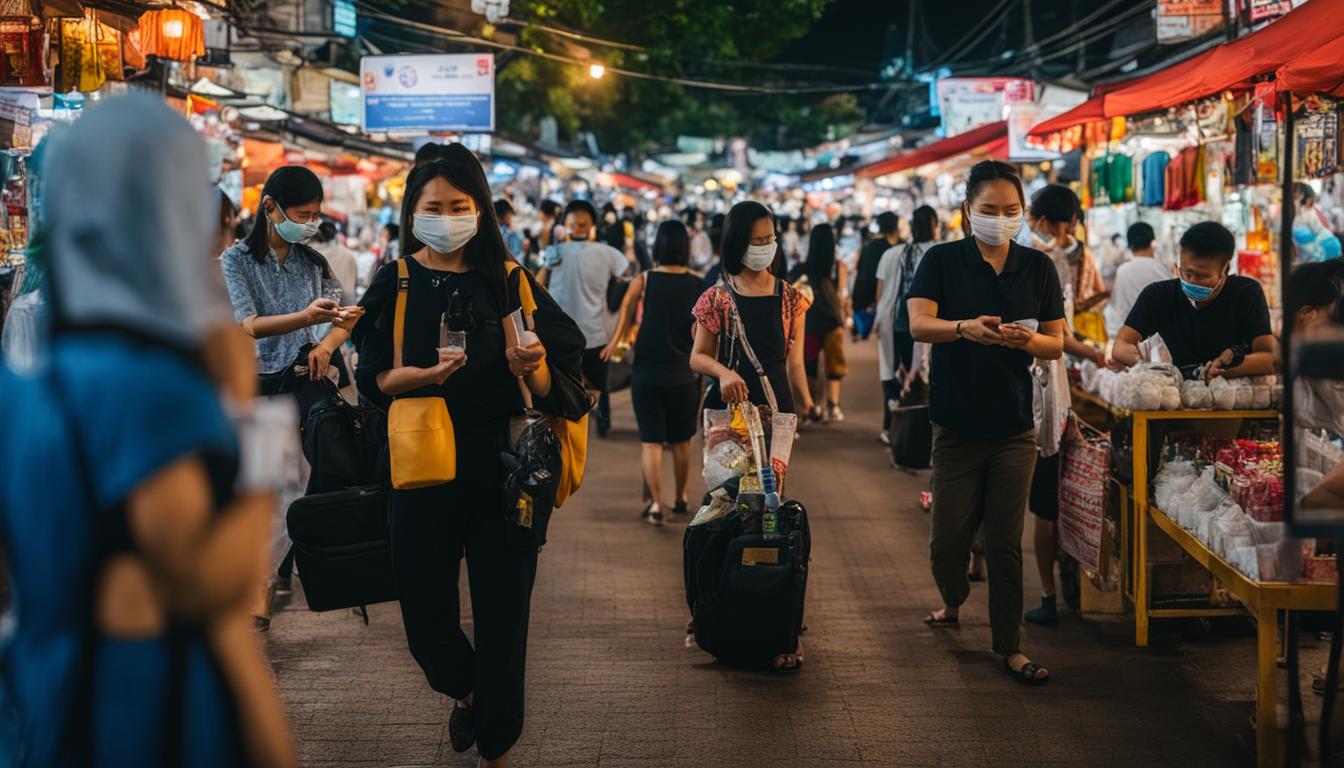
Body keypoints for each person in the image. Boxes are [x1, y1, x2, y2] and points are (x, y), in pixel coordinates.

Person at [0, 93, 296, 768]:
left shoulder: (36, 375)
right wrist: (256, 427)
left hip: (44, 694)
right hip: (146, 709)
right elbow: (204, 582)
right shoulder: (147, 384)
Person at [353, 145, 586, 768]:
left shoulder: (508, 280)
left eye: (461, 205)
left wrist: (531, 371)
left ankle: (497, 744)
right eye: (435, 206)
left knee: (504, 618)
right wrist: (423, 374)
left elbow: (568, 364)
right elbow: (371, 379)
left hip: (505, 468)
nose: (448, 216)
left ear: (481, 210)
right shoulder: (396, 279)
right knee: (425, 616)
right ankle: (469, 688)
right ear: (412, 211)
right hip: (420, 466)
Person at [907, 159, 1065, 685]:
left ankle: (1010, 646)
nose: (1001, 218)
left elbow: (1056, 341)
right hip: (954, 424)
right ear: (967, 213)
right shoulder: (942, 260)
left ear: (1023, 213)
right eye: (989, 210)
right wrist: (964, 328)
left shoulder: (1038, 267)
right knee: (947, 541)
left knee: (1003, 542)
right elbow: (919, 324)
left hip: (1014, 425)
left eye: (1011, 210)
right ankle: (953, 598)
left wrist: (1029, 341)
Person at [219, 166, 364, 620]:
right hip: (256, 389)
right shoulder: (236, 261)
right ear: (270, 208)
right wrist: (306, 318)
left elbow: (346, 319)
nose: (310, 223)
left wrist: (325, 343)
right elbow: (249, 325)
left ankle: (276, 574)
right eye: (303, 214)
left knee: (300, 486)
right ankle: (257, 584)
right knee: (263, 485)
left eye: (315, 215)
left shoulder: (312, 262)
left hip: (304, 386)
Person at [690, 200, 813, 670]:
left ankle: (777, 622)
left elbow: (794, 360)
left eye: (770, 238)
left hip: (777, 415)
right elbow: (697, 357)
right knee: (726, 507)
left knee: (770, 511)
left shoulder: (791, 297)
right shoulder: (716, 298)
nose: (766, 247)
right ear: (736, 243)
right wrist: (721, 371)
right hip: (728, 417)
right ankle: (722, 607)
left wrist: (805, 405)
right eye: (757, 239)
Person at [602, 220, 703, 524]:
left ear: (658, 246)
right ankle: (682, 498)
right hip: (685, 372)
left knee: (651, 441)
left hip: (647, 370)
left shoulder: (644, 280)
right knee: (683, 440)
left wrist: (614, 342)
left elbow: (626, 312)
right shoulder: (699, 283)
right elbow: (703, 329)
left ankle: (656, 505)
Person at [1113, 221, 1276, 380]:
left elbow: (1269, 358)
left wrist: (1222, 370)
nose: (1191, 281)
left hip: (1234, 394)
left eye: (1201, 276)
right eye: (1185, 272)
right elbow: (1121, 345)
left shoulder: (1246, 293)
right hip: (1179, 394)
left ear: (1226, 268)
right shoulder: (1158, 295)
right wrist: (1151, 368)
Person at [538, 200, 632, 437]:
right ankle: (602, 421)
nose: (577, 228)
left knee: (560, 381)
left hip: (562, 331)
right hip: (595, 330)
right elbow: (627, 275)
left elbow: (539, 283)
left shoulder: (554, 253)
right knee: (601, 383)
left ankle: (564, 424)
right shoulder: (609, 253)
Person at [874, 205, 938, 444]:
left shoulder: (893, 253)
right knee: (927, 376)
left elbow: (880, 293)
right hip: (931, 326)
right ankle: (924, 433)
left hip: (896, 323)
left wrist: (877, 319)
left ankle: (892, 427)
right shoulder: (940, 252)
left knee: (894, 374)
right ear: (934, 225)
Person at [800, 223, 849, 422]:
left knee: (810, 364)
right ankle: (833, 405)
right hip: (832, 321)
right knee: (834, 365)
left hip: (809, 320)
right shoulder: (838, 266)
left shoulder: (804, 268)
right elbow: (842, 295)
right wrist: (845, 316)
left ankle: (813, 406)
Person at [1103, 222, 1171, 339]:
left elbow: (1119, 308)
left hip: (1131, 336)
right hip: (1160, 337)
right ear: (1152, 243)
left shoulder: (1123, 270)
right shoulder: (1161, 269)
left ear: (1130, 246)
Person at [852, 212, 901, 341]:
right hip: (895, 296)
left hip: (876, 295)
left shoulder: (872, 246)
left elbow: (864, 271)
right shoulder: (902, 246)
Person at [311, 218, 361, 306]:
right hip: (348, 308)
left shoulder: (314, 255)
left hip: (325, 309)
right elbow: (356, 284)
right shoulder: (349, 255)